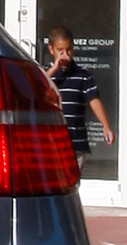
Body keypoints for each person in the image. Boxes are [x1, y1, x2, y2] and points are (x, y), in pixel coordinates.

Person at [43, 27, 114, 164]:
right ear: (51, 50)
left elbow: (94, 99)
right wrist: (54, 69)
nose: (65, 55)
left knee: (73, 176)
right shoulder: (45, 72)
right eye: (60, 50)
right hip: (52, 141)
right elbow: (36, 86)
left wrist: (106, 126)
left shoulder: (83, 75)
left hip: (76, 141)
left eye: (69, 50)